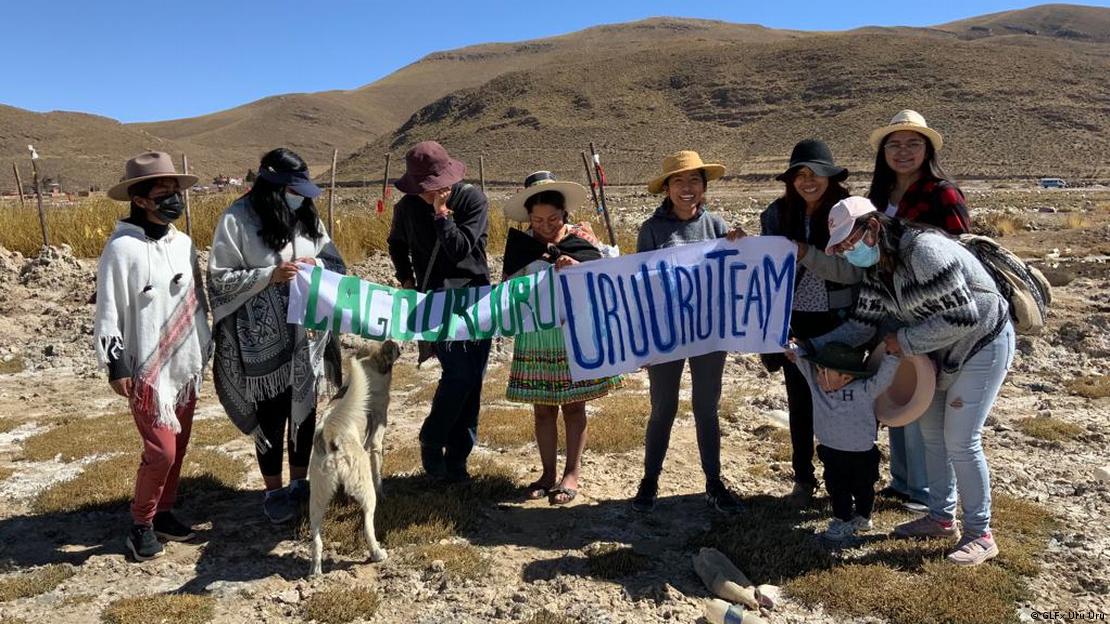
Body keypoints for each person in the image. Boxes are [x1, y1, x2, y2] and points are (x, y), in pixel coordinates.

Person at [816, 196, 1014, 566]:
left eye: (848, 242)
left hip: (982, 344)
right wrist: (811, 346)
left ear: (873, 227)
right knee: (931, 435)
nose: (846, 252)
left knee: (961, 439)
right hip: (935, 355)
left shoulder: (925, 252)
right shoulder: (877, 269)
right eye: (840, 247)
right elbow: (863, 325)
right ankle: (941, 517)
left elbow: (964, 316)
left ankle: (979, 533)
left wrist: (903, 341)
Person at [208, 147, 345, 524]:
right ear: (272, 186)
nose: (299, 197)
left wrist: (314, 264)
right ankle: (273, 490)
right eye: (293, 189)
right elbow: (219, 281)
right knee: (271, 414)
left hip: (306, 337)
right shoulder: (237, 219)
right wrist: (268, 276)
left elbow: (335, 261)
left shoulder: (305, 216)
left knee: (304, 410)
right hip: (261, 340)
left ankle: (300, 483)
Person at [95, 152, 210, 560]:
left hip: (183, 363)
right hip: (145, 369)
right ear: (141, 199)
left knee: (178, 447)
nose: (174, 200)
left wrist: (203, 342)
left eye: (175, 193)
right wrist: (116, 364)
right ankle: (140, 522)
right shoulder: (121, 249)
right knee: (160, 450)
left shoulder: (183, 244)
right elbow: (109, 309)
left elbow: (194, 297)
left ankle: (163, 511)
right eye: (164, 194)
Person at [868, 110, 972, 512]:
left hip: (932, 312)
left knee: (924, 397)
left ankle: (926, 490)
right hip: (891, 308)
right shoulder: (878, 198)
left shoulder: (942, 193)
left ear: (927, 149)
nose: (903, 152)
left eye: (913, 143)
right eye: (894, 144)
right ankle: (902, 480)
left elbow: (964, 250)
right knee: (896, 391)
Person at [631, 150, 744, 514]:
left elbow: (737, 271)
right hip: (666, 335)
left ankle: (714, 481)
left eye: (695, 180)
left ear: (704, 187)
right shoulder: (651, 230)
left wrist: (744, 246)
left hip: (709, 333)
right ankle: (650, 481)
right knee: (662, 408)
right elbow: (640, 287)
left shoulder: (717, 226)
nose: (687, 187)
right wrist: (644, 341)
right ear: (666, 188)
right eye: (679, 180)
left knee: (706, 408)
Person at [501, 171, 622, 505]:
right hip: (537, 335)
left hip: (573, 333)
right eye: (538, 220)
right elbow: (508, 289)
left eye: (552, 218)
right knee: (542, 409)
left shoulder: (583, 239)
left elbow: (604, 279)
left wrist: (577, 268)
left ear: (564, 213)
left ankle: (572, 473)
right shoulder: (521, 246)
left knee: (573, 407)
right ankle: (547, 473)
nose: (545, 225)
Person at [759, 139, 860, 506]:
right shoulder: (776, 214)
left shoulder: (847, 215)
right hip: (794, 321)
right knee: (799, 402)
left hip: (838, 321)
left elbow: (851, 273)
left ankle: (846, 479)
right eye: (800, 175)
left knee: (841, 400)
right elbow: (763, 264)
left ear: (829, 177)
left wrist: (805, 253)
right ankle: (803, 478)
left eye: (815, 173)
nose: (808, 181)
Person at [387, 141, 491, 483]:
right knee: (458, 374)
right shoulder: (406, 208)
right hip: (435, 300)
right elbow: (397, 243)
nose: (430, 193)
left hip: (475, 299)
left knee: (473, 380)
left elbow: (461, 249)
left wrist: (443, 214)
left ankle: (458, 459)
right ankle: (433, 440)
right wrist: (405, 278)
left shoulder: (471, 200)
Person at [784, 342, 899, 542]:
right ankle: (842, 519)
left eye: (824, 371)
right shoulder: (818, 387)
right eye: (818, 370)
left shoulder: (865, 388)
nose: (818, 375)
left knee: (864, 486)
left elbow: (884, 379)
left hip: (862, 452)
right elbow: (803, 364)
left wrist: (891, 356)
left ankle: (863, 516)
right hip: (831, 450)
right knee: (837, 487)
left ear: (846, 377)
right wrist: (793, 349)